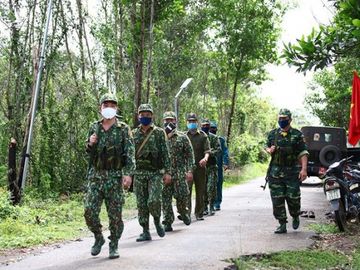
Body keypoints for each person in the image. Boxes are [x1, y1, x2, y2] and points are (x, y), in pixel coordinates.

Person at [84, 93, 135, 259]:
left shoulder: (123, 129)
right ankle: (98, 237)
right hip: (96, 177)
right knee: (89, 211)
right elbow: (88, 151)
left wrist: (128, 174)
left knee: (115, 216)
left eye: (112, 105)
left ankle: (114, 244)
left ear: (116, 108)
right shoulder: (94, 127)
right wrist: (90, 143)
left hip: (115, 177)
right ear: (100, 108)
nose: (109, 108)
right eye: (106, 105)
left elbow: (130, 153)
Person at [265, 108, 309, 234]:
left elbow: (303, 152)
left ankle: (295, 215)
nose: (281, 121)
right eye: (280, 118)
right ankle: (282, 223)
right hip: (275, 172)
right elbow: (267, 147)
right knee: (277, 199)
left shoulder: (297, 134)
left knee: (293, 198)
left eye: (284, 119)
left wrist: (304, 170)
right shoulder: (273, 134)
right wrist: (270, 150)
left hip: (292, 172)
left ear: (290, 120)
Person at [132, 104, 172, 241]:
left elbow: (165, 154)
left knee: (154, 200)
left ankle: (156, 220)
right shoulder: (133, 133)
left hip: (155, 173)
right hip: (139, 174)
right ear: (138, 116)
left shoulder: (159, 133)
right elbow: (130, 155)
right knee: (141, 204)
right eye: (142, 114)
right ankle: (145, 231)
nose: (145, 117)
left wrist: (168, 172)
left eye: (148, 114)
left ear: (152, 116)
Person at [162, 111, 195, 231]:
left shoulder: (182, 137)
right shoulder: (160, 136)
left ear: (175, 121)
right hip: (165, 174)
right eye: (166, 120)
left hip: (180, 174)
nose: (169, 122)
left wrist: (190, 170)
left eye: (171, 120)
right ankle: (167, 221)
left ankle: (183, 212)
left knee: (182, 196)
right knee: (165, 198)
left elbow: (190, 155)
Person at [186, 113, 210, 220]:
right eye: (190, 122)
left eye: (193, 122)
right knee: (187, 191)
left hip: (200, 168)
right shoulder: (184, 136)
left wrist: (205, 158)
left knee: (200, 191)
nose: (192, 123)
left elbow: (207, 151)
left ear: (197, 123)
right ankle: (186, 213)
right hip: (188, 169)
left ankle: (199, 213)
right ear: (187, 123)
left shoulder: (203, 136)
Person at [200, 119, 221, 216]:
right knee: (203, 188)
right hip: (202, 167)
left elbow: (218, 149)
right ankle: (204, 207)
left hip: (212, 166)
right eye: (203, 125)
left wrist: (209, 153)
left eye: (207, 125)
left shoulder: (214, 137)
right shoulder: (199, 137)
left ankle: (211, 206)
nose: (205, 127)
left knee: (211, 187)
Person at [209, 121, 229, 211]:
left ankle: (217, 203)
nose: (212, 130)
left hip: (219, 164)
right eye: (211, 128)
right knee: (208, 184)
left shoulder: (221, 140)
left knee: (218, 183)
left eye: (214, 128)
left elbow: (225, 152)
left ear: (216, 129)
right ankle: (209, 203)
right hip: (209, 165)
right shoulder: (205, 138)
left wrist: (225, 163)